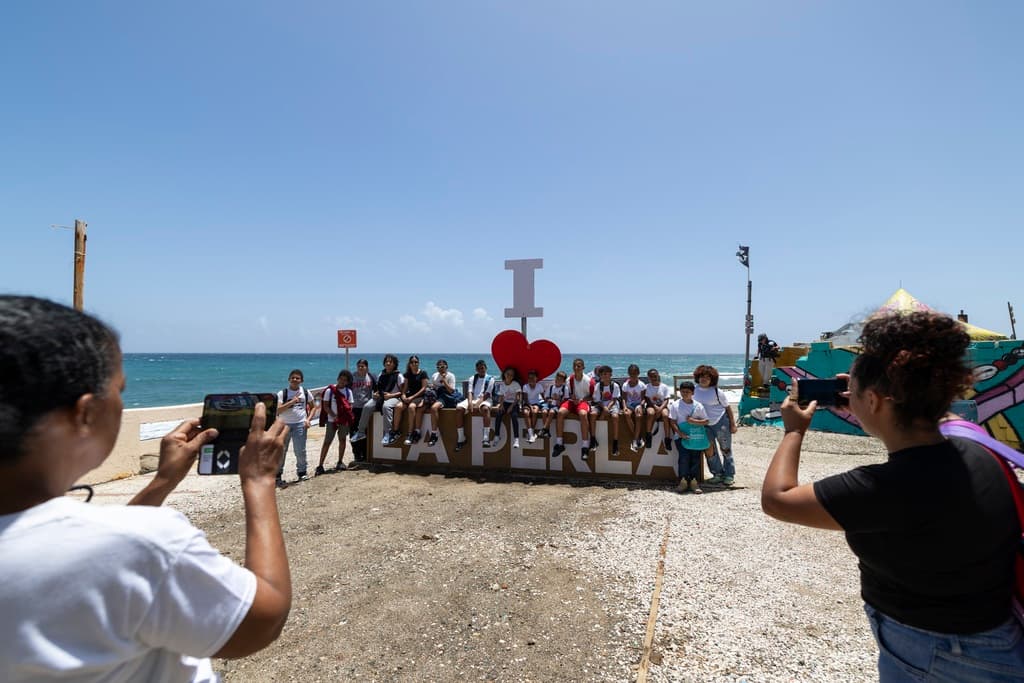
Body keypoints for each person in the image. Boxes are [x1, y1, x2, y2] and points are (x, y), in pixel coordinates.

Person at [0, 296, 291, 682]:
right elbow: (261, 619)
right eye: (119, 389)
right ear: (86, 412)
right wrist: (259, 480)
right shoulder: (145, 546)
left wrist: (162, 481)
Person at [761, 311, 1024, 681]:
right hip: (995, 639)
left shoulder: (886, 487)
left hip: (936, 656)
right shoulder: (977, 447)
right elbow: (930, 410)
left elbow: (777, 498)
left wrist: (793, 432)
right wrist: (865, 395)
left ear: (876, 399)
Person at [693, 364, 737, 486]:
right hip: (704, 424)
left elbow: (728, 408)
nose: (704, 379)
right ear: (698, 377)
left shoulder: (718, 392)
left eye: (707, 377)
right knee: (709, 449)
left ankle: (729, 474)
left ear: (712, 379)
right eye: (702, 376)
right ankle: (717, 473)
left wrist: (732, 424)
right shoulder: (694, 391)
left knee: (725, 449)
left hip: (720, 422)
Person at [276, 369, 315, 486]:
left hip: (300, 424)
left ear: (301, 380)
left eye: (297, 378)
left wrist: (308, 420)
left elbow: (313, 407)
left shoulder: (306, 392)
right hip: (284, 425)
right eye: (293, 377)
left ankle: (302, 473)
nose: (295, 380)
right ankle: (277, 476)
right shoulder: (282, 393)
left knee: (300, 451)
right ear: (289, 379)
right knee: (281, 451)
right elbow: (278, 410)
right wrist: (292, 402)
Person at [669, 381, 709, 494]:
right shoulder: (675, 405)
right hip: (681, 437)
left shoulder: (698, 405)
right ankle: (683, 481)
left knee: (695, 459)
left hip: (696, 437)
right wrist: (680, 433)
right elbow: (672, 421)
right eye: (683, 391)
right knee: (684, 458)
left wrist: (693, 421)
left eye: (688, 391)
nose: (685, 393)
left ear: (693, 392)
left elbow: (706, 421)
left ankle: (694, 482)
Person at [314, 369, 354, 475]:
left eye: (345, 380)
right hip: (332, 421)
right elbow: (325, 406)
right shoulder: (330, 391)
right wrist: (334, 416)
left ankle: (340, 462)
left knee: (342, 440)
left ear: (347, 382)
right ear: (338, 379)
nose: (342, 381)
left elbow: (350, 406)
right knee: (327, 441)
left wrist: (344, 417)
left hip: (343, 421)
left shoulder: (348, 392)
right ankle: (320, 465)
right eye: (341, 379)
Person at [554, 358, 594, 460]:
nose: (576, 368)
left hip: (584, 402)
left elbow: (593, 397)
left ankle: (585, 446)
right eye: (575, 366)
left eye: (579, 366)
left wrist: (581, 400)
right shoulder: (569, 380)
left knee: (583, 414)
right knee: (560, 412)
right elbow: (568, 394)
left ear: (583, 368)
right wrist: (573, 398)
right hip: (573, 402)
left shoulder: (589, 381)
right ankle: (559, 443)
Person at [455, 359, 495, 450]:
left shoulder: (490, 379)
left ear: (486, 368)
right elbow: (470, 392)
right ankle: (461, 438)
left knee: (485, 409)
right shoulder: (472, 378)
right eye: (479, 368)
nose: (481, 370)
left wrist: (477, 404)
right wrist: (470, 403)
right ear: (476, 369)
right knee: (459, 409)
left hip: (486, 399)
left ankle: (486, 438)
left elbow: (487, 394)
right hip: (472, 399)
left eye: (483, 368)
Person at [394, 356, 428, 446]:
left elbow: (424, 388)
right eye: (412, 362)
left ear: (418, 363)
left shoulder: (423, 373)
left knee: (411, 407)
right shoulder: (407, 374)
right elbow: (405, 388)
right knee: (398, 407)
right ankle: (395, 431)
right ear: (409, 364)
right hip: (409, 397)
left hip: (419, 397)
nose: (414, 364)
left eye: (416, 362)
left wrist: (412, 397)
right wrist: (404, 395)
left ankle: (410, 433)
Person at [589, 365, 622, 456]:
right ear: (600, 375)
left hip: (612, 404)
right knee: (592, 414)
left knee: (615, 417)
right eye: (603, 374)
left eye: (607, 374)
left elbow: (614, 399)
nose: (606, 376)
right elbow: (597, 400)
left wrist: (608, 408)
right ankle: (592, 439)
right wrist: (604, 408)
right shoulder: (598, 386)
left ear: (611, 375)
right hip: (601, 405)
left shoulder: (614, 385)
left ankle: (615, 442)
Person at [424, 359, 457, 447]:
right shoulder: (435, 375)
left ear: (446, 366)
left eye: (442, 366)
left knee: (434, 408)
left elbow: (451, 391)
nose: (440, 368)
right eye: (438, 367)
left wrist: (444, 380)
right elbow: (434, 387)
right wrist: (430, 386)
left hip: (446, 396)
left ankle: (434, 434)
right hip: (437, 395)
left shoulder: (451, 376)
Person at [376, 354, 405, 445]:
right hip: (382, 397)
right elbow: (379, 388)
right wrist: (376, 394)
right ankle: (360, 431)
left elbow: (403, 392)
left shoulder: (399, 375)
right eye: (386, 362)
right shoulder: (381, 374)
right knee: (367, 406)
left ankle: (388, 433)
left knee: (386, 406)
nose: (388, 363)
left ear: (394, 364)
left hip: (395, 398)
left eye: (390, 362)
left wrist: (391, 395)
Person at [348, 359, 377, 450]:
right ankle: (356, 454)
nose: (360, 368)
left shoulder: (371, 377)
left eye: (362, 366)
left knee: (365, 432)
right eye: (359, 366)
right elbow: (346, 391)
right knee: (353, 431)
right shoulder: (352, 377)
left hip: (366, 409)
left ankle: (364, 454)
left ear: (367, 367)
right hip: (354, 408)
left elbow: (376, 390)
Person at [492, 367, 523, 449]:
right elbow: (501, 397)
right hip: (505, 403)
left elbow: (518, 398)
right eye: (507, 374)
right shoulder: (502, 384)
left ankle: (516, 439)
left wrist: (511, 407)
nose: (509, 376)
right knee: (498, 414)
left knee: (514, 416)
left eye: (511, 375)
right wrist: (501, 405)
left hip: (514, 403)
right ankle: (497, 435)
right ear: (504, 374)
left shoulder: (516, 384)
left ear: (513, 376)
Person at [642, 368, 672, 451]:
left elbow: (666, 399)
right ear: (648, 377)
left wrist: (660, 408)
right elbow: (647, 399)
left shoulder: (664, 386)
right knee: (650, 413)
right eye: (651, 376)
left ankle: (667, 438)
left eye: (655, 376)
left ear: (658, 375)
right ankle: (648, 436)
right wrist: (655, 407)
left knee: (666, 415)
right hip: (651, 405)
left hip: (662, 405)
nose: (653, 378)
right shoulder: (647, 386)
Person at [620, 364, 647, 453]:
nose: (633, 376)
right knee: (627, 414)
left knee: (639, 416)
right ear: (628, 374)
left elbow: (643, 399)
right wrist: (624, 407)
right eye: (631, 374)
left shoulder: (641, 385)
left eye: (635, 374)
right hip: (629, 405)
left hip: (638, 404)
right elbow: (623, 398)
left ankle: (634, 440)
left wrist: (640, 405)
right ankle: (638, 437)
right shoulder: (625, 385)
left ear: (638, 373)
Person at [539, 371, 569, 440]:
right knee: (544, 412)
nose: (558, 380)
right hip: (550, 404)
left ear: (563, 381)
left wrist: (559, 400)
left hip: (557, 406)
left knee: (552, 412)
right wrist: (549, 400)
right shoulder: (551, 387)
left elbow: (566, 400)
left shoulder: (565, 388)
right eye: (557, 378)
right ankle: (547, 431)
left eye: (560, 379)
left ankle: (544, 429)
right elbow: (546, 397)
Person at [521, 369, 546, 443]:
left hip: (536, 403)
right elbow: (525, 399)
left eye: (533, 377)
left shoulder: (539, 386)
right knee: (526, 413)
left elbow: (544, 397)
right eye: (529, 378)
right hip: (527, 403)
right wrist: (530, 406)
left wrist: (547, 402)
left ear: (536, 378)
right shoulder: (525, 386)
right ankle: (531, 434)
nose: (531, 379)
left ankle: (532, 433)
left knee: (535, 412)